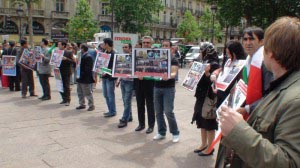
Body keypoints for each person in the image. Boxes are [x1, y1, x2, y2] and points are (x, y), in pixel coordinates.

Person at [218, 16, 300, 168]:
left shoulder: (295, 100)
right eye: (245, 39)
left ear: (270, 53)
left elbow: (289, 163)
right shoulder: (284, 84)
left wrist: (238, 131)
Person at [236, 27, 273, 117]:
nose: (248, 43)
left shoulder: (265, 63)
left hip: (262, 114)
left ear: (262, 42)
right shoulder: (247, 62)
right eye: (245, 39)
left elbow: (271, 95)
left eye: (251, 39)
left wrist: (248, 108)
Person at [191, 42, 220, 156]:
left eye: (201, 51)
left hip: (208, 97)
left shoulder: (214, 64)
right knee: (201, 121)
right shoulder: (203, 62)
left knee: (208, 122)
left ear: (207, 51)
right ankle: (204, 144)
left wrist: (207, 73)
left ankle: (210, 147)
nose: (200, 53)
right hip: (201, 96)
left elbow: (213, 83)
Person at [153, 40, 180, 143]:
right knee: (158, 112)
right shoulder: (156, 58)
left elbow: (174, 73)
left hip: (168, 88)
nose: (164, 47)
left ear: (170, 48)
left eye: (166, 45)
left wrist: (168, 76)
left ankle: (175, 132)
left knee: (168, 111)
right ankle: (161, 132)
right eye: (163, 45)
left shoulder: (173, 59)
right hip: (157, 87)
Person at [134, 36, 155, 134]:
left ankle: (151, 126)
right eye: (144, 43)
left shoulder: (155, 55)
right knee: (139, 105)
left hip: (149, 83)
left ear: (151, 44)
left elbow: (156, 69)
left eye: (148, 43)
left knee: (150, 105)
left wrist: (145, 74)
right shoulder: (136, 54)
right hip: (138, 83)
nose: (146, 44)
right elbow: (132, 67)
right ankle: (141, 124)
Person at [116, 43, 134, 128]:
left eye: (126, 47)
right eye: (123, 47)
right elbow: (120, 68)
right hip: (123, 81)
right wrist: (118, 79)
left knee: (127, 101)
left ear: (130, 48)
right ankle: (129, 116)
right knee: (124, 100)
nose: (124, 48)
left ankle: (124, 119)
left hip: (130, 82)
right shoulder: (122, 56)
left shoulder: (133, 57)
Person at [75, 43, 95, 111]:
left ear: (83, 49)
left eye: (80, 48)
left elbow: (88, 69)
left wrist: (81, 73)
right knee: (79, 92)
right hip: (79, 77)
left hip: (85, 78)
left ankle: (91, 105)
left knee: (87, 92)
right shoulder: (80, 56)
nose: (79, 49)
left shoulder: (88, 57)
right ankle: (81, 104)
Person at [101, 38, 117, 118]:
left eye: (103, 43)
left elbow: (114, 68)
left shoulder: (114, 54)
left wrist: (105, 71)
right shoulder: (104, 52)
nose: (102, 45)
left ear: (107, 44)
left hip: (110, 78)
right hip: (104, 77)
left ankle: (112, 111)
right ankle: (110, 110)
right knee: (105, 95)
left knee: (110, 95)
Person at [58, 41, 75, 106]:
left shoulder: (69, 52)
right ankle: (64, 98)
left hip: (66, 71)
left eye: (59, 44)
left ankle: (68, 100)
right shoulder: (57, 52)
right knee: (60, 85)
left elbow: (73, 61)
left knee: (66, 86)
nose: (58, 46)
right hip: (59, 71)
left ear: (63, 46)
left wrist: (66, 59)